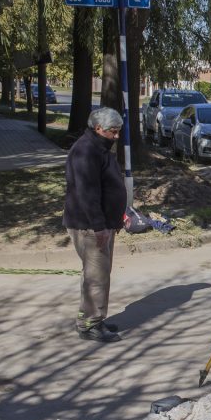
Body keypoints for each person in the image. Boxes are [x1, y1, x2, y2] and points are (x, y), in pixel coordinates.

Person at [63, 107, 128, 343]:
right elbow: (88, 194)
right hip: (89, 226)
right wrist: (99, 226)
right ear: (99, 129)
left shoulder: (98, 147)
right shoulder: (86, 151)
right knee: (96, 276)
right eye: (114, 132)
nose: (117, 136)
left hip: (101, 224)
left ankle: (95, 316)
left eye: (119, 131)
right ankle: (89, 323)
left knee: (99, 273)